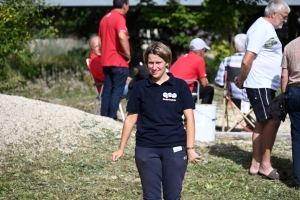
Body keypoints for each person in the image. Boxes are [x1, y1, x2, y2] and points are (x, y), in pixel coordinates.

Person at [111, 42, 201, 200]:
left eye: (158, 62)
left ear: (167, 62)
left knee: (173, 196)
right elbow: (131, 120)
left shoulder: (180, 86)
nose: (154, 67)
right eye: (150, 63)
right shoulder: (140, 87)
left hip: (175, 149)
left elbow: (190, 119)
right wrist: (121, 148)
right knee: (151, 196)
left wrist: (190, 148)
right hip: (146, 149)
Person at [234, 0, 290, 180]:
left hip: (265, 84)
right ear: (274, 13)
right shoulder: (260, 28)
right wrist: (242, 81)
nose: (285, 21)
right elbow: (247, 60)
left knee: (262, 122)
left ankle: (256, 164)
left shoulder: (267, 28)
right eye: (284, 17)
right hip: (259, 83)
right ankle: (265, 165)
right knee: (271, 121)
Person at [98, 0, 130, 120]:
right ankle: (112, 118)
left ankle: (103, 117)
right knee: (117, 90)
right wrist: (127, 54)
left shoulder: (104, 18)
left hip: (106, 61)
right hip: (118, 61)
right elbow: (121, 36)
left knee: (107, 90)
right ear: (124, 5)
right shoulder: (120, 18)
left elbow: (100, 42)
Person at [169, 38, 214, 104]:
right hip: (184, 90)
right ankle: (204, 112)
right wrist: (204, 81)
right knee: (209, 90)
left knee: (195, 86)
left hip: (170, 87)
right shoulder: (199, 60)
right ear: (201, 51)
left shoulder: (182, 57)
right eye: (205, 50)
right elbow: (204, 84)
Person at [281, 36, 300, 189]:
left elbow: (284, 76)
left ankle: (299, 180)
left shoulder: (289, 46)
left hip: (294, 92)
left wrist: (284, 97)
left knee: (297, 137)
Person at [215, 33, 248, 109]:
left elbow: (218, 82)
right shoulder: (254, 61)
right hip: (253, 98)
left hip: (233, 98)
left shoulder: (227, 61)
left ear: (235, 48)